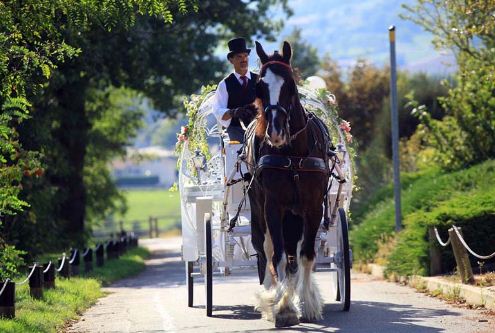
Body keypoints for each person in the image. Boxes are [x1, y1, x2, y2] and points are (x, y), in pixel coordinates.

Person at [213, 37, 258, 143]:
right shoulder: (225, 84)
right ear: (231, 60)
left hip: (259, 127)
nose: (244, 59)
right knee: (239, 153)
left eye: (245, 56)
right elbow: (217, 110)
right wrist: (233, 112)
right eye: (239, 57)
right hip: (236, 130)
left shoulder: (259, 80)